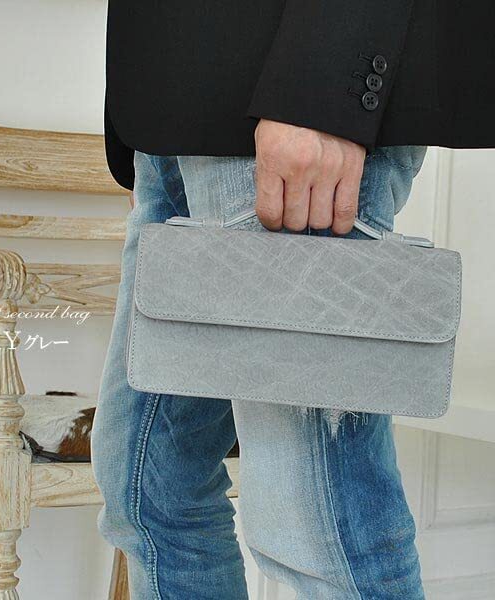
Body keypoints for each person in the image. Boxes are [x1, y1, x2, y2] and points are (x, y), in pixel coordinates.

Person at [92, 2, 495, 598]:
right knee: (152, 494)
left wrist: (323, 84)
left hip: (290, 103)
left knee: (325, 534)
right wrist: (156, 141)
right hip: (178, 108)